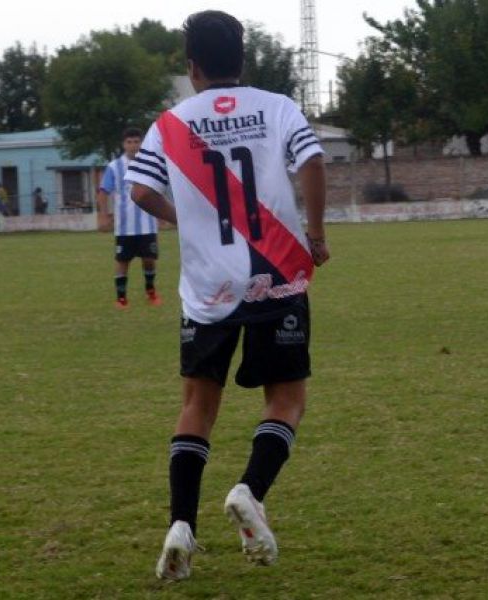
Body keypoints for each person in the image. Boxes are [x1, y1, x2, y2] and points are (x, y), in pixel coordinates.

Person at [125, 10, 330, 580]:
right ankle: (249, 490)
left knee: (198, 403)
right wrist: (314, 234)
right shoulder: (277, 106)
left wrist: (186, 220)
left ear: (192, 67)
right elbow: (312, 158)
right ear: (243, 60)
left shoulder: (170, 123)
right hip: (277, 272)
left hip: (207, 284)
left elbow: (140, 189)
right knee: (286, 398)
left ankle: (180, 527)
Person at [97, 127, 163, 309]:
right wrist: (103, 216)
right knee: (122, 261)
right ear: (123, 144)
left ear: (141, 143)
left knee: (149, 260)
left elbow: (158, 191)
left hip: (147, 225)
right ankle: (121, 298)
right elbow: (103, 192)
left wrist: (162, 214)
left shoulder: (151, 164)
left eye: (136, 141)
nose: (133, 145)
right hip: (125, 227)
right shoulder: (114, 167)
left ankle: (151, 291)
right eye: (129, 142)